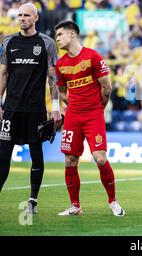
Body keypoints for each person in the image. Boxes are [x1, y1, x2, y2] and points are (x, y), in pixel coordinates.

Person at [0, 3, 61, 214]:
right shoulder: (8, 42)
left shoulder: (46, 43)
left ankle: (33, 202)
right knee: (4, 154)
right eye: (19, 15)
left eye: (26, 15)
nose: (22, 18)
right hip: (11, 108)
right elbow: (2, 74)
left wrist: (55, 107)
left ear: (36, 18)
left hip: (36, 109)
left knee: (37, 155)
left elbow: (52, 77)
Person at [53, 20, 125, 217]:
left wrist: (97, 108)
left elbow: (107, 88)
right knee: (69, 160)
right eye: (56, 35)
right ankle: (75, 206)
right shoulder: (60, 65)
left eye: (60, 34)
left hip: (93, 115)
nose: (57, 38)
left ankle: (113, 201)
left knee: (100, 158)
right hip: (73, 117)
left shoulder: (93, 56)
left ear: (73, 34)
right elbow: (61, 91)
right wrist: (74, 107)